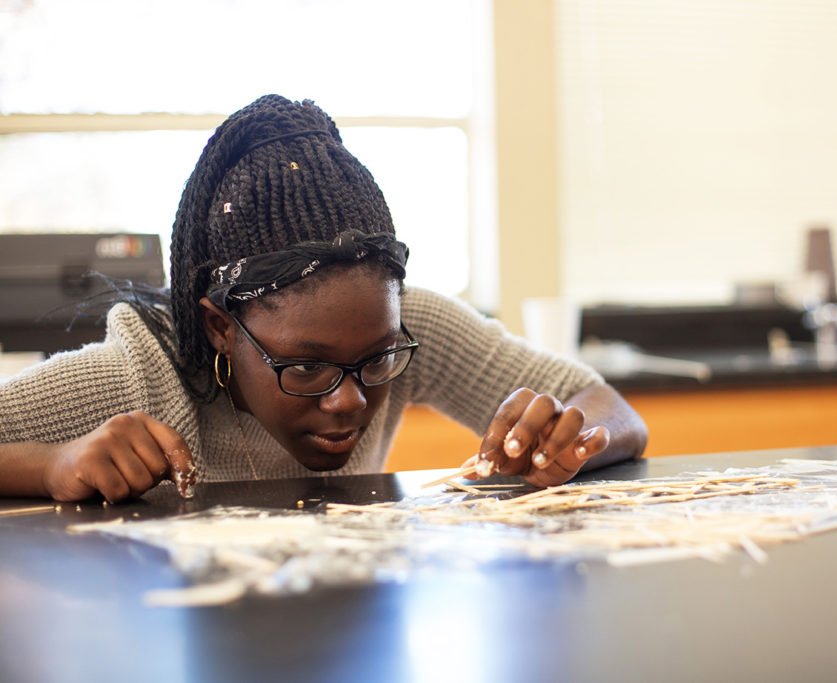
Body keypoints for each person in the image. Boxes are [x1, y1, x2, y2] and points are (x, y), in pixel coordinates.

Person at [0, 95, 647, 503]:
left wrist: (570, 438)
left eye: (375, 361)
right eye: (305, 367)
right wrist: (51, 463)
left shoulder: (404, 326)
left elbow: (613, 409)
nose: (347, 401)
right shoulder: (140, 373)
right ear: (220, 326)